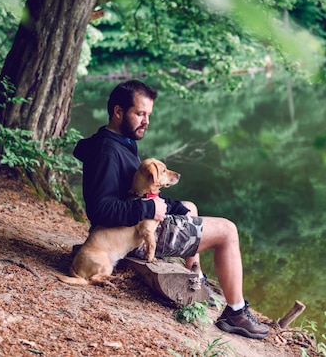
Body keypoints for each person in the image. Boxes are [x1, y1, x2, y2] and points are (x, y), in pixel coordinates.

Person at [73, 79, 270, 340]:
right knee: (227, 231)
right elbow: (100, 210)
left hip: (133, 222)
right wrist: (148, 208)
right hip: (128, 236)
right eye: (140, 114)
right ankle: (236, 313)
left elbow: (131, 192)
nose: (146, 121)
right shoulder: (108, 152)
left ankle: (195, 282)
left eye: (149, 115)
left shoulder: (121, 140)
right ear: (118, 112)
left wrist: (169, 207)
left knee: (190, 207)